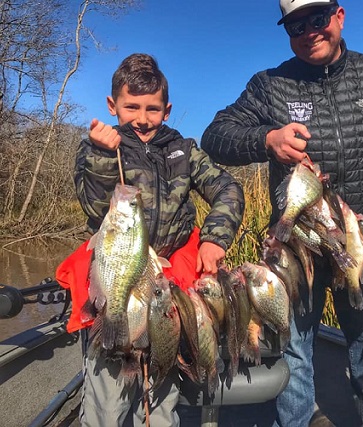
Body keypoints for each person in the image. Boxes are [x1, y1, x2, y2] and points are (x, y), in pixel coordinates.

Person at [201, 0, 363, 425]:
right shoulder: (270, 85)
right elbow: (215, 134)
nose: (309, 31)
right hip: (297, 247)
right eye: (295, 25)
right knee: (296, 350)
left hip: (361, 241)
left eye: (318, 19)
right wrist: (266, 139)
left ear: (339, 17)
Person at [56, 53, 245, 426]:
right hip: (118, 280)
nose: (142, 118)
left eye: (152, 109)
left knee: (162, 397)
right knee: (108, 405)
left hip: (167, 285)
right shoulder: (100, 147)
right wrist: (99, 154)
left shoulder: (185, 151)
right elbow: (95, 210)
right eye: (131, 107)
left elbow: (228, 188)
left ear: (167, 109)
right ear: (113, 105)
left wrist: (215, 238)